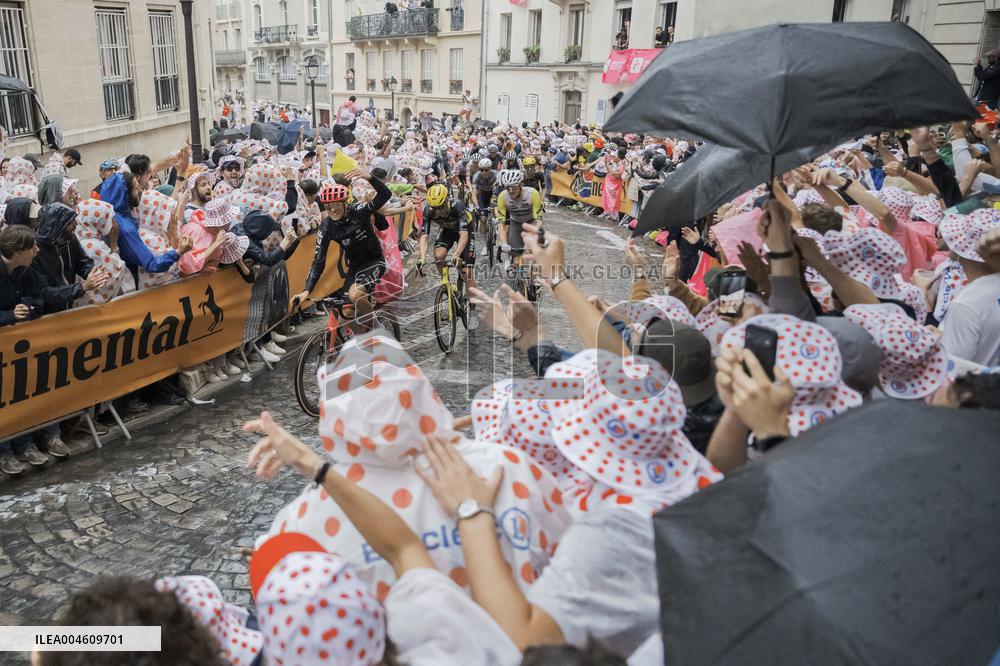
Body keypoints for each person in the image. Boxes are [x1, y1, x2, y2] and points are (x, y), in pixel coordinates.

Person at [293, 169, 391, 327]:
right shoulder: (326, 228)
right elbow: (318, 261)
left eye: (336, 205)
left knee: (356, 294)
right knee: (345, 316)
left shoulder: (359, 211)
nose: (332, 210)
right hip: (354, 267)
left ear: (345, 204)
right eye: (328, 206)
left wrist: (370, 178)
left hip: (374, 261)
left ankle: (376, 329)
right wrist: (306, 290)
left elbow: (386, 195)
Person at [0, 225, 43, 475]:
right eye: (32, 247)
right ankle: (5, 452)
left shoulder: (25, 271)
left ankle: (24, 444)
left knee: (20, 392)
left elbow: (37, 297)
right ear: (17, 251)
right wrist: (8, 316)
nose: (37, 251)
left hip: (18, 346)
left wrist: (27, 307)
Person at [417, 182, 477, 296]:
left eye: (441, 207)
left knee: (467, 272)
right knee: (439, 256)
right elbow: (424, 236)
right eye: (435, 208)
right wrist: (422, 257)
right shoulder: (428, 211)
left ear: (446, 200)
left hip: (465, 231)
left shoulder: (457, 205)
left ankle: (472, 300)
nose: (438, 212)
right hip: (447, 231)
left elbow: (463, 235)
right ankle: (447, 283)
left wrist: (456, 254)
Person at [495, 169, 543, 267]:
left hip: (532, 222)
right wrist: (504, 243)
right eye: (508, 188)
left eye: (514, 187)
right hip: (516, 222)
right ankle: (518, 274)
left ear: (521, 185)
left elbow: (538, 220)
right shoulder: (502, 197)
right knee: (516, 254)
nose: (511, 191)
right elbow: (501, 223)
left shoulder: (532, 193)